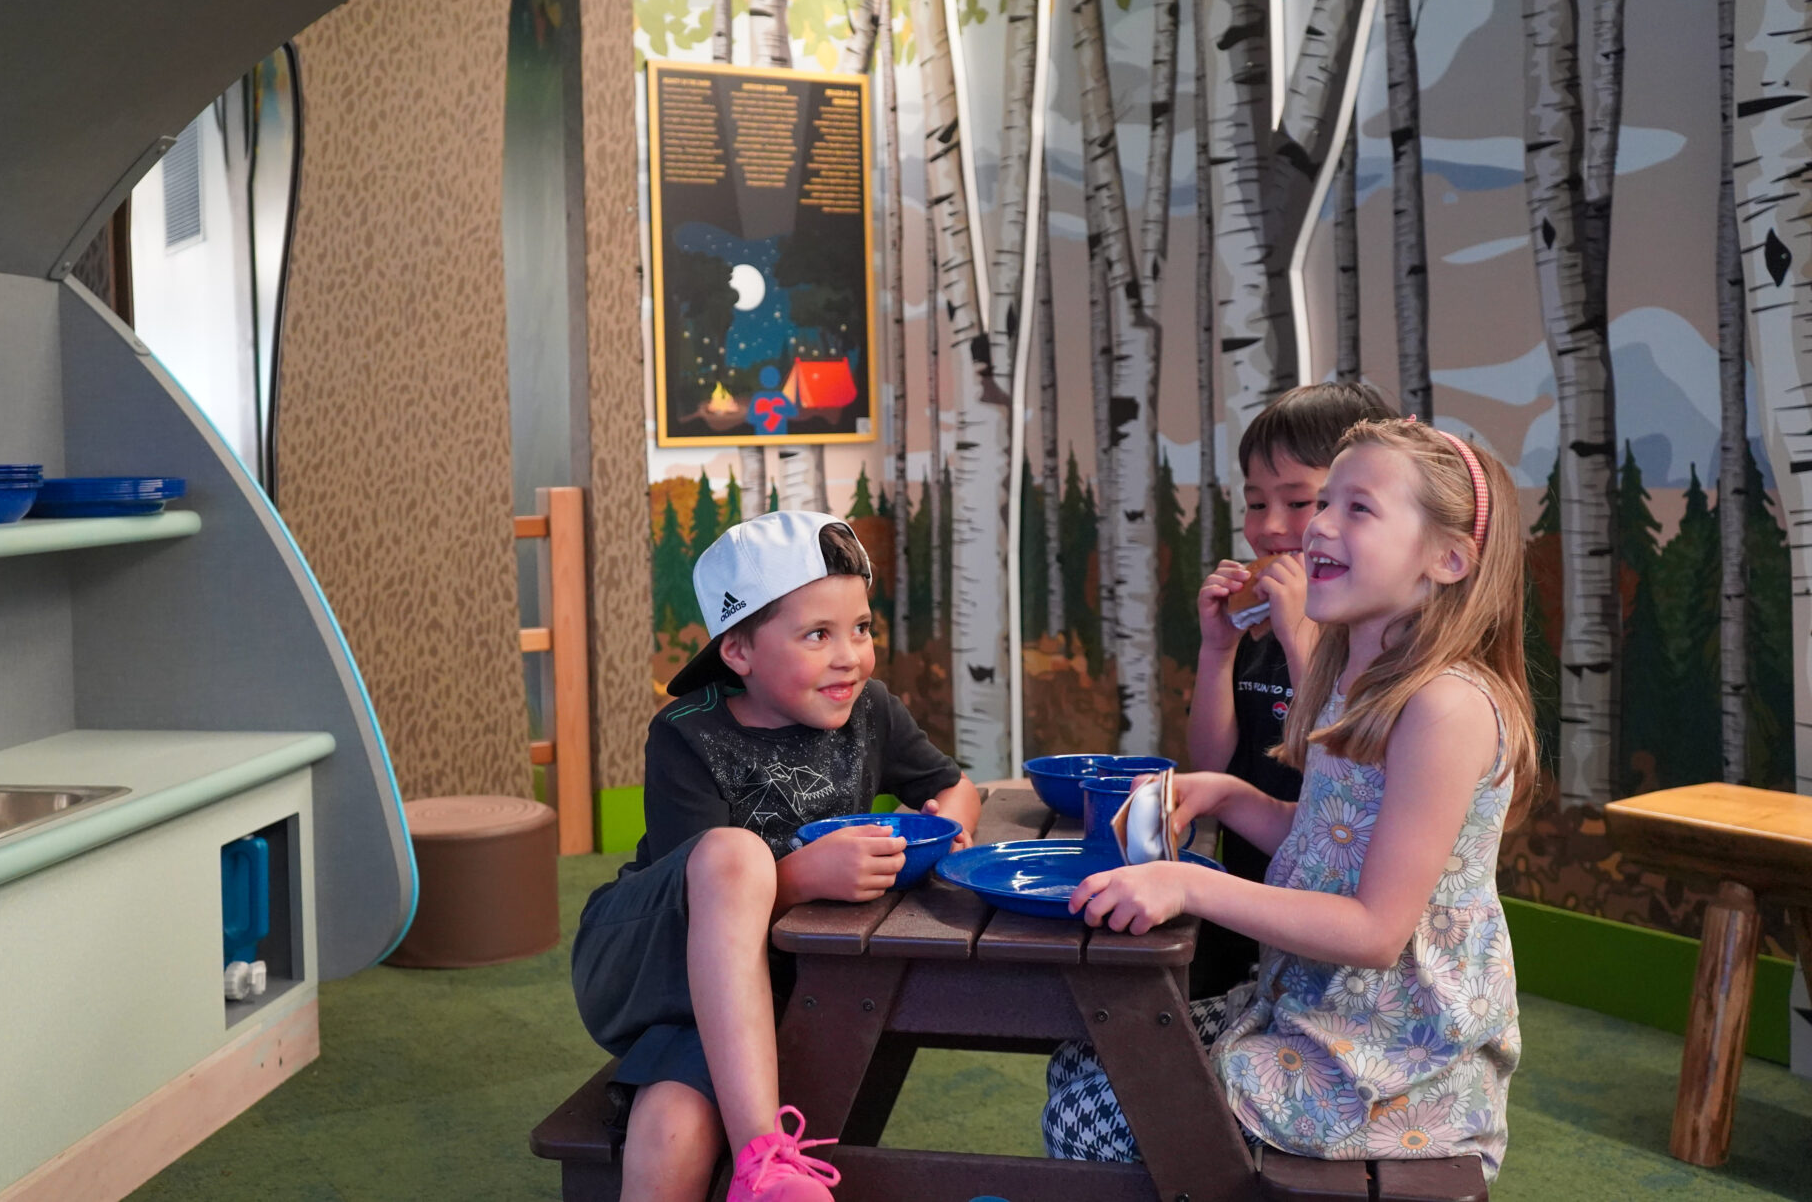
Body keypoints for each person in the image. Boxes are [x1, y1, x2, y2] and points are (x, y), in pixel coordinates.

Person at [1045, 417, 1534, 1181]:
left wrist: (1191, 882)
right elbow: (1329, 842)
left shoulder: (1446, 706)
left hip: (1393, 1065)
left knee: (1088, 1111)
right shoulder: (1358, 678)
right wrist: (1231, 794)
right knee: (1086, 1056)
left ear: (1447, 557)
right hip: (1309, 1012)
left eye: (1358, 508)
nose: (1319, 527)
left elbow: (1375, 927)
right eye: (1326, 502)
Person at [572, 510, 980, 1202]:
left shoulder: (871, 710)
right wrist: (798, 877)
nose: (849, 654)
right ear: (739, 652)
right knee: (734, 853)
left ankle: (762, 1166)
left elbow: (951, 786)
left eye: (861, 627)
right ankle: (766, 1158)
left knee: (675, 1119)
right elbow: (699, 895)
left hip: (766, 978)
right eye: (817, 634)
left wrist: (948, 827)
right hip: (649, 956)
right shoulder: (686, 734)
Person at [1186, 381, 1397, 997]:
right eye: (1255, 504)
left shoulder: (1376, 645)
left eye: (1300, 502)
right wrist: (1217, 648)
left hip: (1331, 923)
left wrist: (1301, 634)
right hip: (1245, 886)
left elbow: (1339, 766)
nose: (1271, 528)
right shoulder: (1255, 626)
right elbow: (1211, 760)